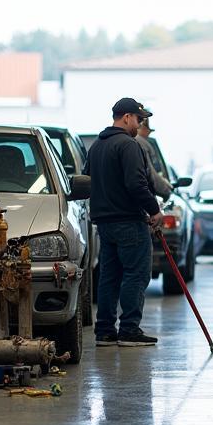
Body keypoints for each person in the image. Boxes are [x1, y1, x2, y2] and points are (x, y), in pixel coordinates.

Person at [86, 97, 163, 347]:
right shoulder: (129, 145)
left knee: (110, 276)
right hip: (129, 221)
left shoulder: (97, 145)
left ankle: (105, 331)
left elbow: (88, 180)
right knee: (136, 274)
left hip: (105, 224)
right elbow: (136, 183)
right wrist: (154, 210)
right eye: (139, 119)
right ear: (127, 117)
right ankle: (129, 329)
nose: (140, 125)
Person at [136, 115, 173, 200]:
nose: (149, 133)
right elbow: (152, 176)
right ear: (140, 127)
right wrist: (167, 189)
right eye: (148, 129)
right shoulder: (142, 144)